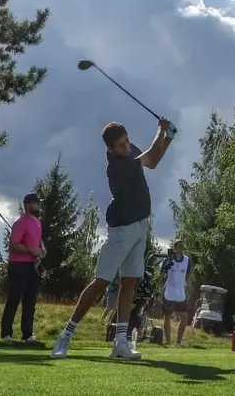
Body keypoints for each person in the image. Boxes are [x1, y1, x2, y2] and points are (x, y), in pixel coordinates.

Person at [51, 116, 177, 360]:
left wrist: (168, 136)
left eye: (127, 142)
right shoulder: (116, 167)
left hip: (141, 226)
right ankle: (65, 336)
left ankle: (120, 342)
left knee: (130, 281)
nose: (127, 147)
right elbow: (149, 152)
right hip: (121, 229)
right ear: (110, 149)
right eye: (121, 145)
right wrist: (160, 130)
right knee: (100, 282)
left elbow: (153, 160)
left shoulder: (131, 152)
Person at [1, 193, 46, 343]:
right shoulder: (20, 223)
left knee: (30, 302)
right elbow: (13, 245)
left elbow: (37, 241)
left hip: (31, 265)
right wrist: (30, 251)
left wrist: (42, 249)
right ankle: (6, 334)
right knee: (13, 299)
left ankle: (27, 335)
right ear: (28, 205)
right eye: (36, 203)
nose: (38, 205)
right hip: (18, 265)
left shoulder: (38, 223)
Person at [161, 241, 191, 345]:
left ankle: (178, 341)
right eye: (178, 246)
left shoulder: (187, 260)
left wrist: (184, 284)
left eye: (182, 246)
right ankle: (168, 341)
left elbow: (187, 274)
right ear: (174, 247)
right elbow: (162, 273)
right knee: (167, 316)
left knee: (184, 317)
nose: (180, 248)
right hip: (169, 290)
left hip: (180, 292)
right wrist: (166, 268)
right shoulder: (168, 259)